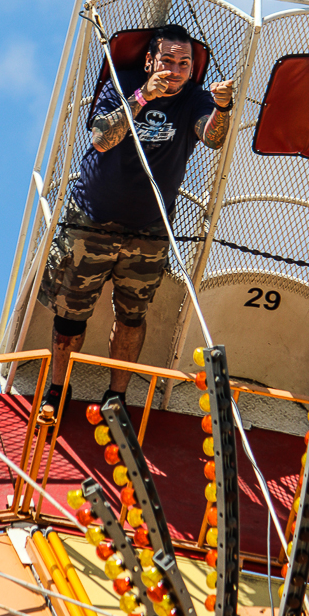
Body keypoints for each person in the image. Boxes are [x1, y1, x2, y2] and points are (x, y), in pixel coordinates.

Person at [39, 23, 234, 412]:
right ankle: (57, 391)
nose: (176, 71)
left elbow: (211, 137)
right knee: (70, 316)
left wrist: (223, 108)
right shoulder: (121, 83)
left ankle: (117, 396)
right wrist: (143, 97)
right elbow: (101, 138)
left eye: (184, 63)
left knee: (132, 316)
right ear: (149, 61)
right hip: (91, 222)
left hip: (148, 230)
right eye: (168, 61)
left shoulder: (194, 98)